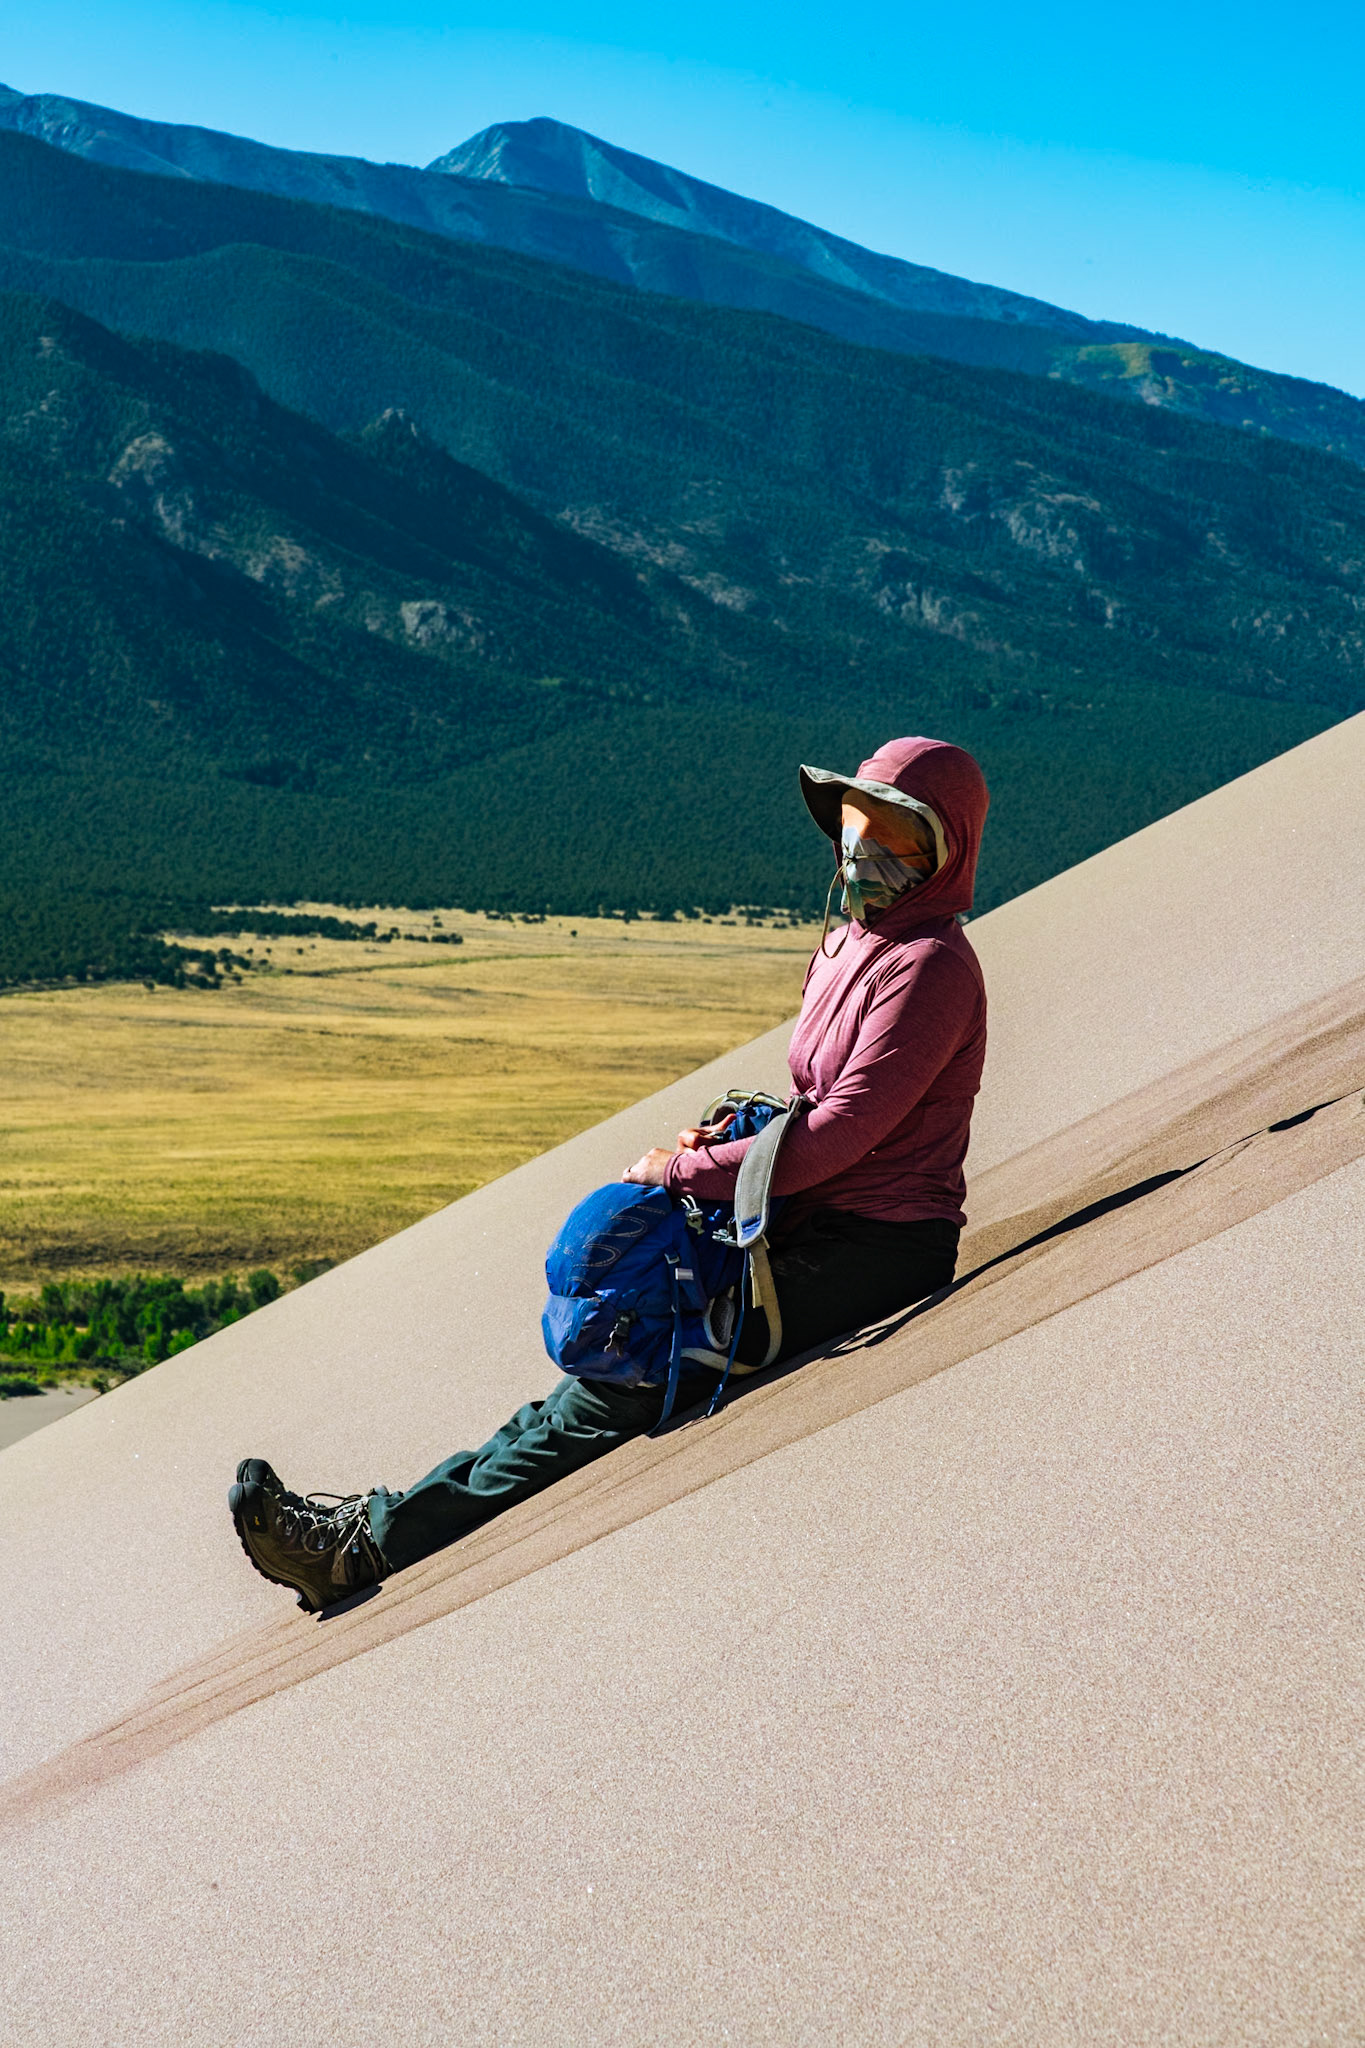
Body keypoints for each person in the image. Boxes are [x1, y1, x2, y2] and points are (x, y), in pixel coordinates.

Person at [229, 736, 990, 1611]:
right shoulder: (855, 944)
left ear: (944, 851)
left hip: (879, 1249)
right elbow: (811, 1104)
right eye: (854, 822)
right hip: (802, 1223)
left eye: (892, 833)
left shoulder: (929, 965)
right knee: (610, 1355)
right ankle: (372, 1523)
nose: (861, 848)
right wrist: (741, 1132)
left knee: (631, 1372)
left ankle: (365, 1550)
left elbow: (837, 1136)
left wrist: (682, 1170)